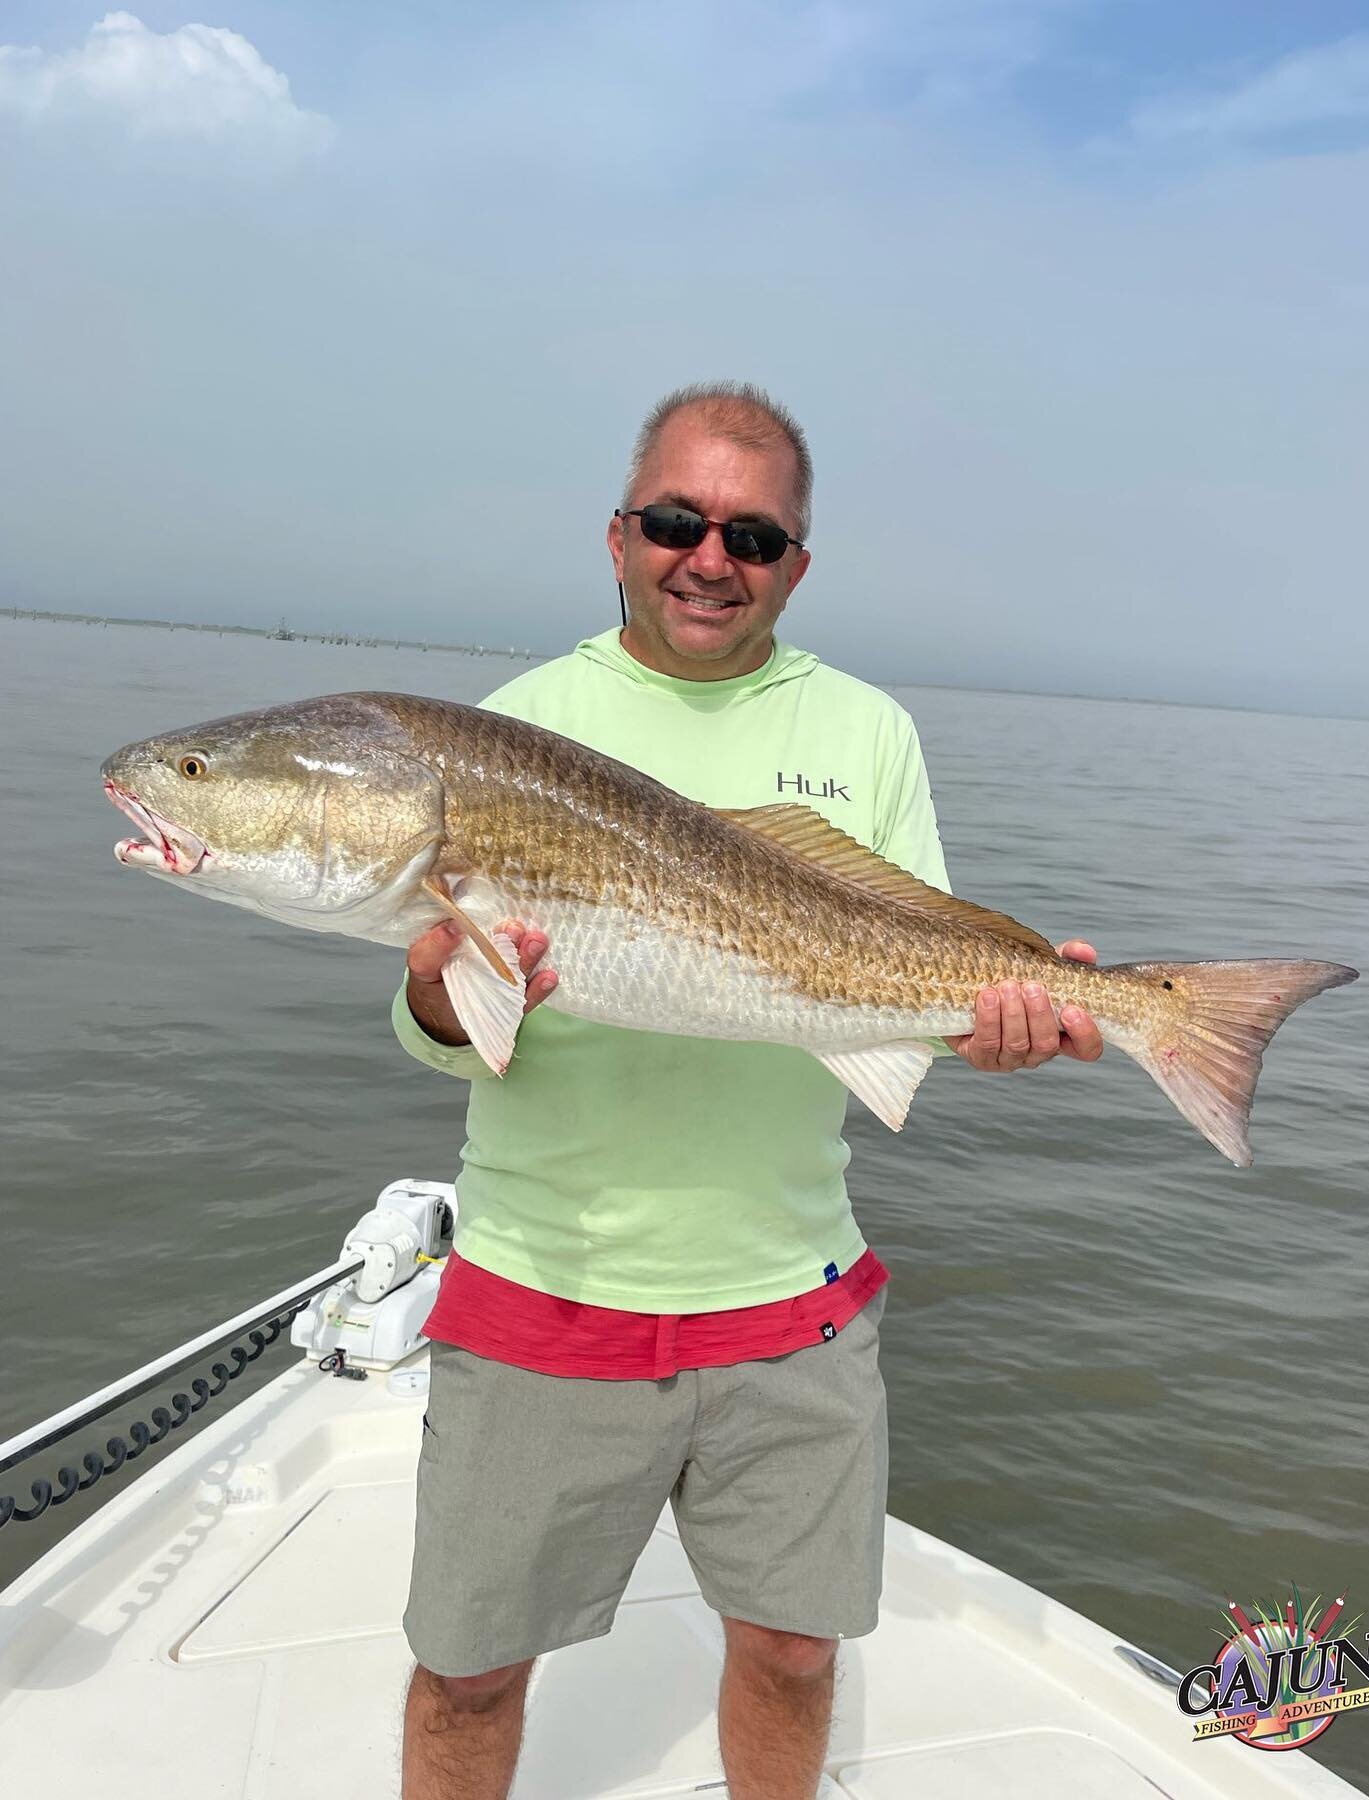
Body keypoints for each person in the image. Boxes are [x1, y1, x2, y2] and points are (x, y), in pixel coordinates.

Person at [395, 382, 1104, 1800]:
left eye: (753, 536)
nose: (709, 558)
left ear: (796, 563)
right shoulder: (513, 728)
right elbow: (434, 1020)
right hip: (545, 1280)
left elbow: (908, 986)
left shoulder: (869, 732)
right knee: (468, 1673)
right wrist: (440, 989)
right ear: (617, 536)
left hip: (789, 1293)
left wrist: (1006, 1021)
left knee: (792, 1653)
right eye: (676, 521)